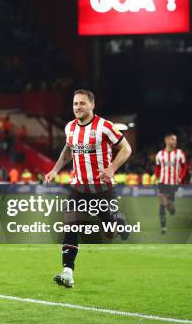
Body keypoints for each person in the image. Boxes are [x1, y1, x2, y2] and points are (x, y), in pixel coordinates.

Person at [44, 89, 132, 289]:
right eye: (75, 103)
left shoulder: (105, 126)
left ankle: (117, 220)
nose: (78, 107)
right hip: (79, 187)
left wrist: (111, 168)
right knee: (70, 225)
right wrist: (55, 170)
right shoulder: (70, 128)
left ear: (92, 105)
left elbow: (126, 149)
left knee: (110, 232)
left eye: (82, 103)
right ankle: (68, 272)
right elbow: (68, 150)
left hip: (102, 188)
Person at [154, 134, 187, 234]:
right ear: (167, 140)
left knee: (169, 206)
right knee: (161, 203)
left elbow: (184, 167)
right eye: (173, 139)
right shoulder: (160, 154)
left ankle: (171, 208)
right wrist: (156, 176)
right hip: (162, 182)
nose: (175, 142)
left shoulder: (180, 153)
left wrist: (180, 177)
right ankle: (163, 228)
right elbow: (158, 168)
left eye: (175, 140)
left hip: (173, 182)